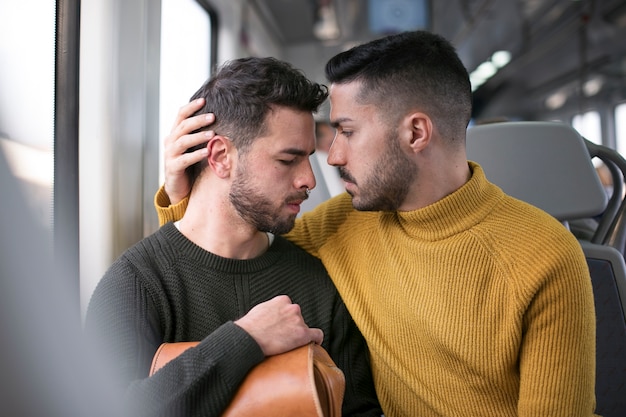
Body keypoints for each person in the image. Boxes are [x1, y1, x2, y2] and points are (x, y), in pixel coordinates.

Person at [155, 31, 598, 416]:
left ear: (415, 133)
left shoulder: (546, 255)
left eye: (346, 131)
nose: (333, 156)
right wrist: (185, 194)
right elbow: (227, 254)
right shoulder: (340, 224)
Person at [84, 57, 382, 417]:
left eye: (307, 159)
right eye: (288, 160)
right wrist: (246, 340)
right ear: (221, 157)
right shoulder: (136, 283)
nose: (309, 180)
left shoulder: (317, 283)